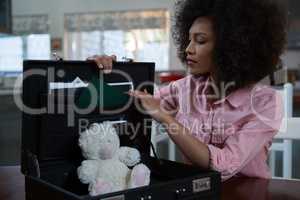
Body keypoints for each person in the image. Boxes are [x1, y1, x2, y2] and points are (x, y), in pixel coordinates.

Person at [88, 0, 287, 181]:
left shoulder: (266, 102)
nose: (188, 49)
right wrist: (106, 72)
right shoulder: (184, 87)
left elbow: (225, 165)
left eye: (200, 41)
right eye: (189, 40)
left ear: (231, 47)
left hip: (246, 192)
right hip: (196, 190)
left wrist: (166, 118)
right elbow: (136, 103)